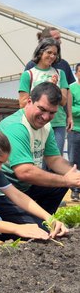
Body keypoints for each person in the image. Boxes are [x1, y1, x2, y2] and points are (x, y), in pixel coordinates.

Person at [0, 82, 80, 240]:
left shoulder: (46, 126)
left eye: (51, 113)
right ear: (29, 101)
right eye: (42, 109)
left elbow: (54, 159)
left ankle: (39, 219)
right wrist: (65, 180)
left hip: (22, 189)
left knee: (58, 187)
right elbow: (24, 172)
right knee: (38, 234)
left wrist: (75, 175)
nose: (45, 117)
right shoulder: (16, 126)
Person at [19, 38, 69, 155]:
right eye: (49, 52)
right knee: (37, 161)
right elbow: (22, 103)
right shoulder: (28, 75)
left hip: (57, 124)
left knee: (55, 161)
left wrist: (54, 87)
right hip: (35, 124)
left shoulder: (60, 74)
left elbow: (63, 102)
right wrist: (45, 91)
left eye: (55, 54)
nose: (52, 56)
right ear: (40, 52)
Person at [67, 63, 80, 201]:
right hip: (75, 129)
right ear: (76, 73)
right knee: (74, 161)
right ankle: (75, 190)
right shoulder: (72, 88)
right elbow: (70, 109)